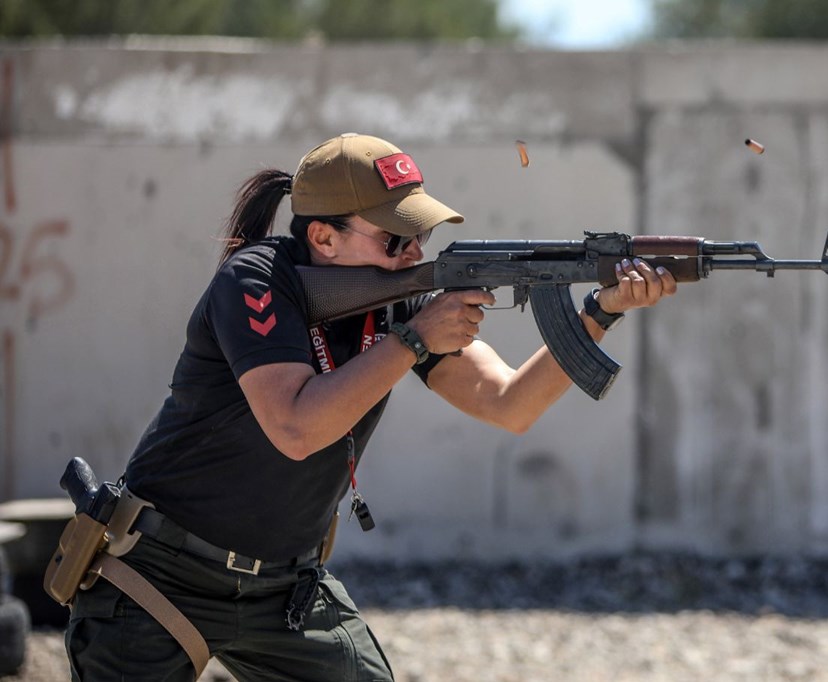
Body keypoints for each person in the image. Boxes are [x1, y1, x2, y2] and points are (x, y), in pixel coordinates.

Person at [64, 132, 676, 681]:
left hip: (285, 587)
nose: (414, 256)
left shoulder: (398, 303)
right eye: (395, 239)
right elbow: (297, 428)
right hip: (159, 576)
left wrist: (599, 313)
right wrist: (412, 340)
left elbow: (508, 403)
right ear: (324, 238)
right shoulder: (255, 281)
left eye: (421, 237)